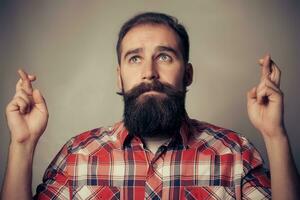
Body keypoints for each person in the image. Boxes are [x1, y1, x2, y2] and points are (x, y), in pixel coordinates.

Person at [1, 12, 299, 200]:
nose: (149, 72)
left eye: (165, 57)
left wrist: (275, 135)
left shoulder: (235, 153)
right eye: (134, 58)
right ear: (119, 78)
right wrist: (22, 144)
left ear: (188, 74)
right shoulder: (77, 155)